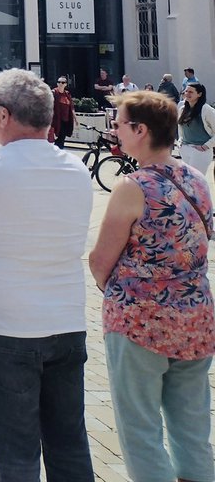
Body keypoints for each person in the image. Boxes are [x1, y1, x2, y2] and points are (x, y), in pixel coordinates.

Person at [0, 68, 95, 482]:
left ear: (4, 115)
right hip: (67, 324)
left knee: (16, 455)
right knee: (70, 446)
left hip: (5, 330)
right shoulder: (76, 169)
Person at [88, 91, 215, 482]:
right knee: (192, 425)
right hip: (196, 318)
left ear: (140, 130)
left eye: (119, 123)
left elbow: (100, 261)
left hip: (140, 323)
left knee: (140, 427)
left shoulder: (133, 187)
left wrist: (122, 289)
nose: (115, 130)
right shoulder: (196, 179)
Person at [178, 82, 215, 177]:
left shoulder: (206, 110)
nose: (187, 94)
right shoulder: (182, 109)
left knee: (195, 180)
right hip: (185, 148)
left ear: (199, 94)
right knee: (186, 180)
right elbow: (180, 128)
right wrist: (180, 142)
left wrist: (206, 146)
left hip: (200, 151)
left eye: (191, 92)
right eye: (186, 91)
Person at [50, 76, 75, 149]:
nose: (60, 84)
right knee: (57, 139)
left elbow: (71, 106)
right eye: (59, 82)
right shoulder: (53, 93)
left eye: (62, 82)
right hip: (56, 120)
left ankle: (59, 150)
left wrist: (75, 117)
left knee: (62, 138)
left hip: (66, 120)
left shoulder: (67, 94)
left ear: (66, 84)